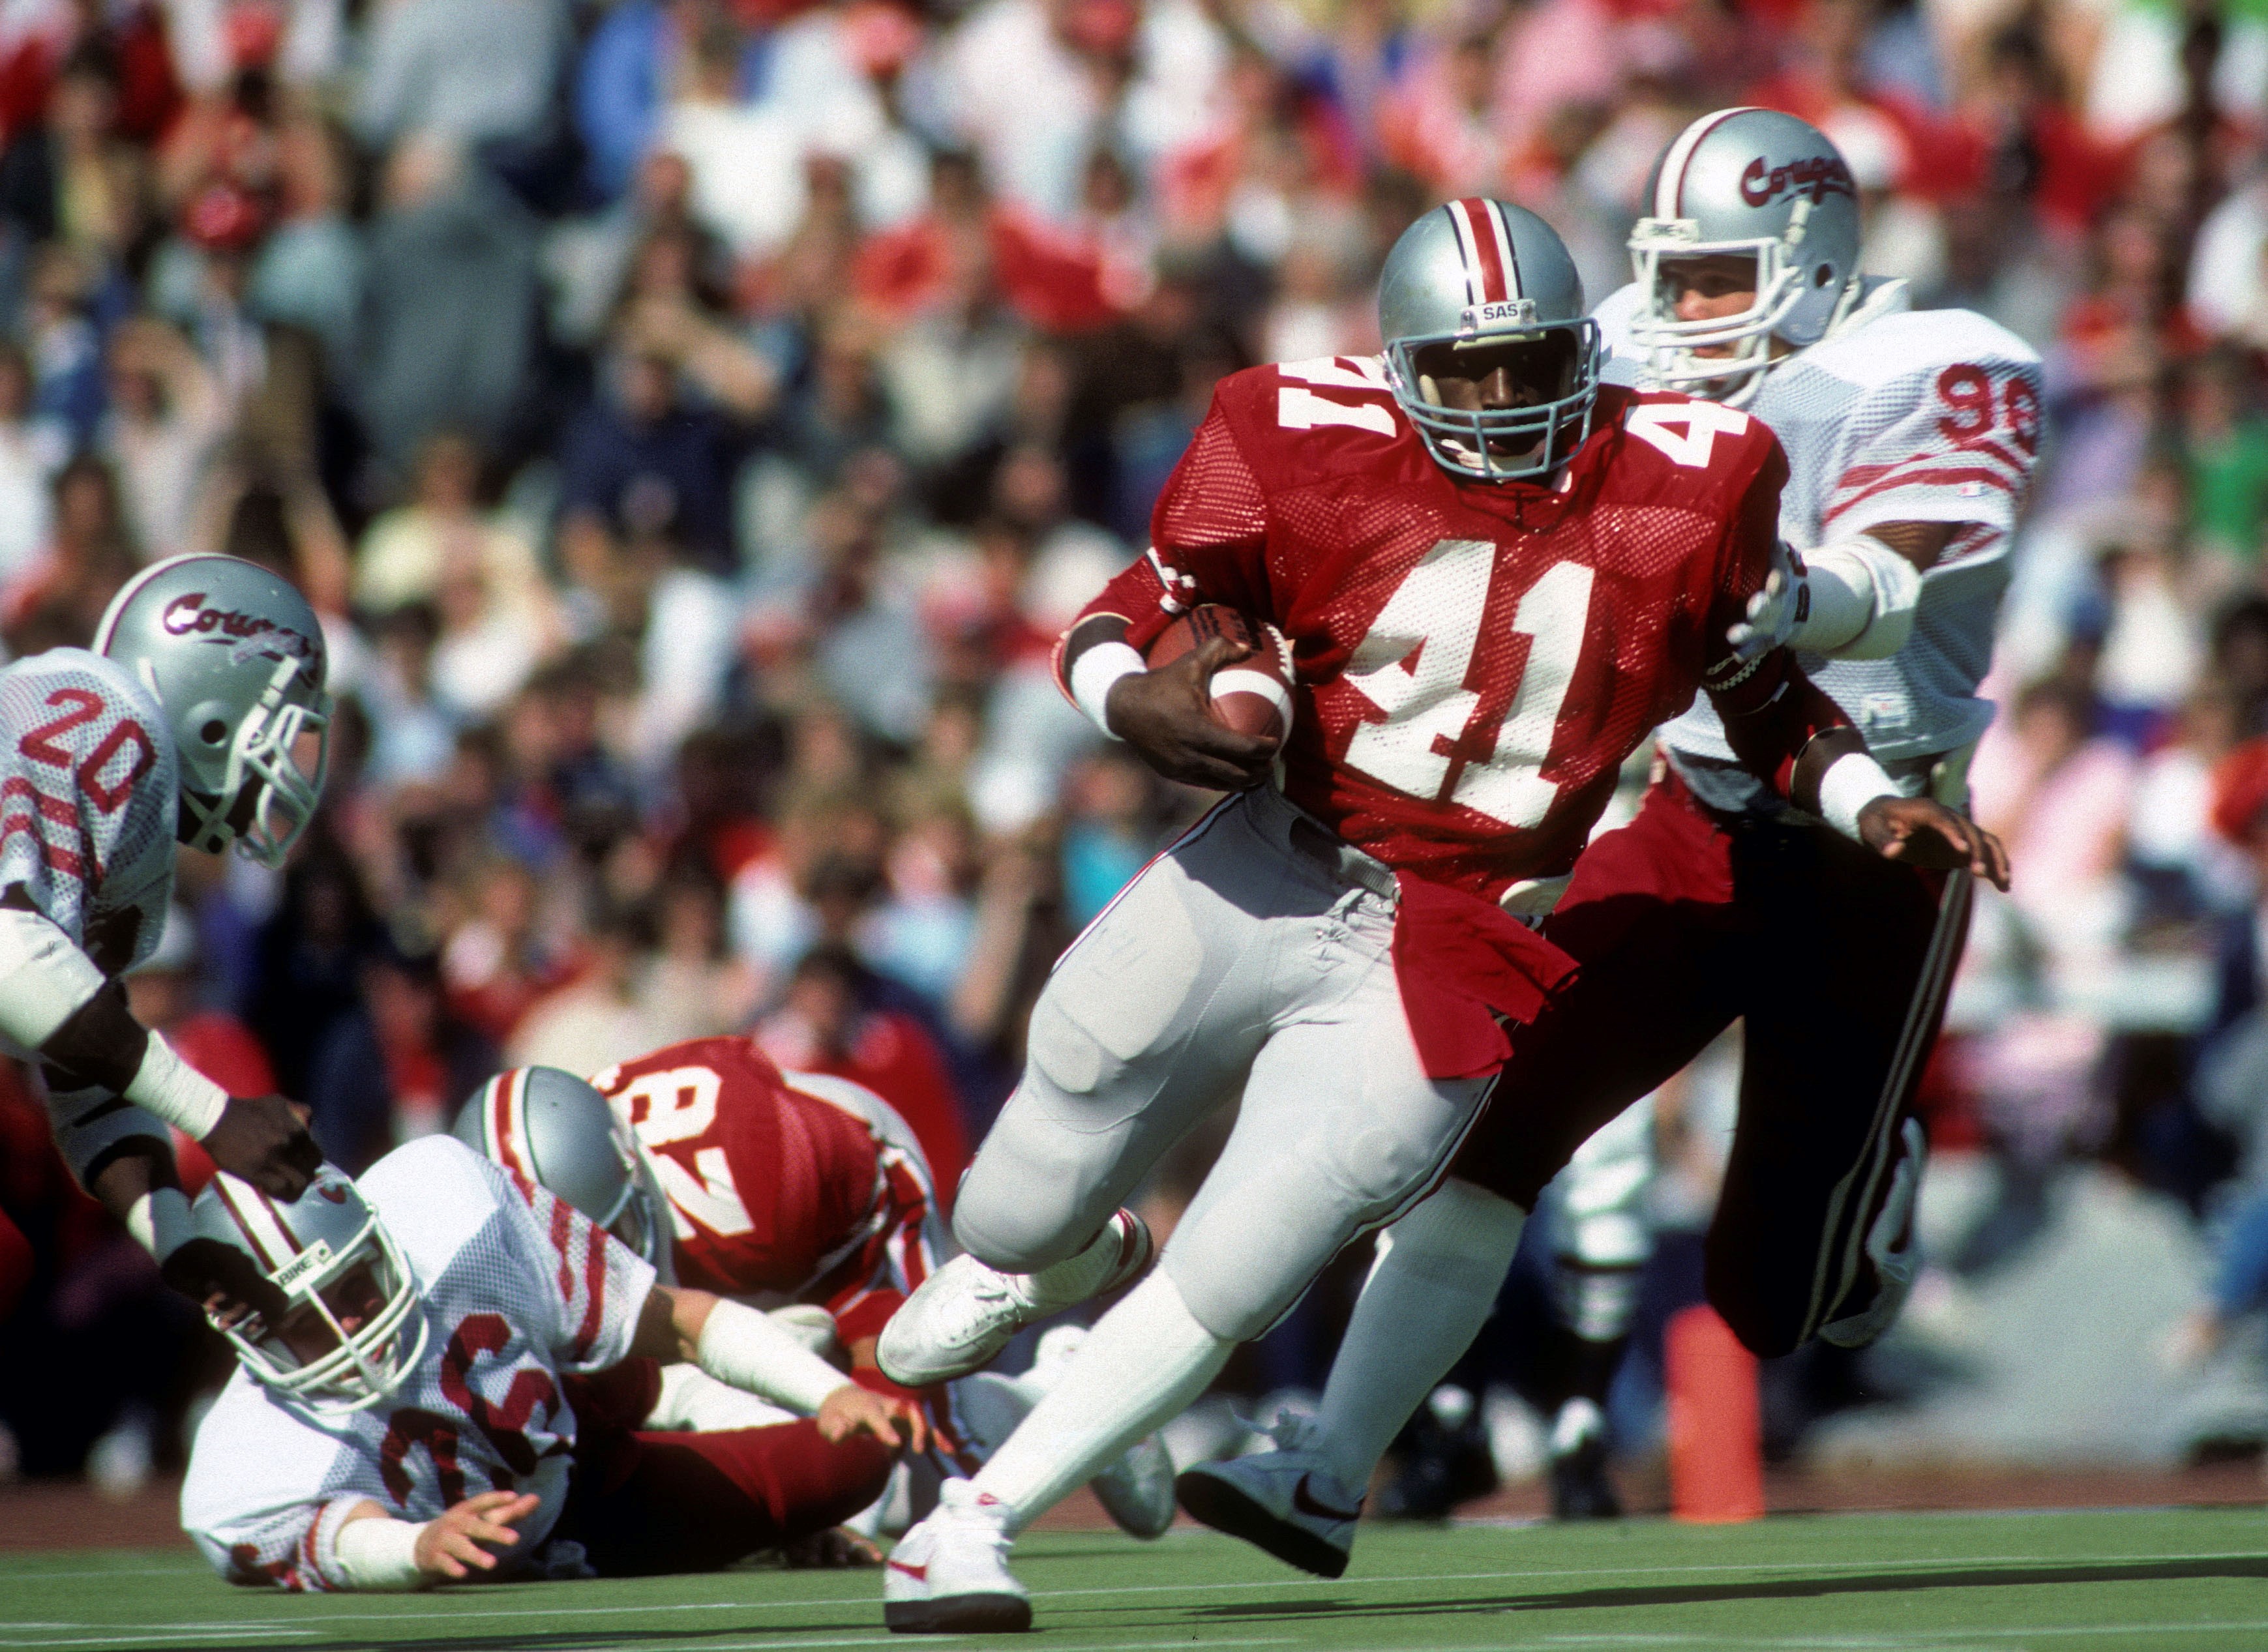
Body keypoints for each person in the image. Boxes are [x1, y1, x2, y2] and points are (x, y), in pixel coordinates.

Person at [871, 198, 2003, 1632]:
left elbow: (1756, 691)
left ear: (1580, 349)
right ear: (1398, 364)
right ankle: (1073, 1259)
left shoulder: (1696, 475)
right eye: (1462, 371)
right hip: (1271, 862)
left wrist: (1861, 799)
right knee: (1013, 1203)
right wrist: (1131, 702)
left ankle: (971, 1525)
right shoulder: (1285, 432)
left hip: (1450, 938)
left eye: (1528, 362)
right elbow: (1132, 608)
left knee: (1249, 1261)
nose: (1499, 399)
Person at [1186, 107, 2041, 1561]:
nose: (1683, 311)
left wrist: (1794, 603)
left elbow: (1899, 571)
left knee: (1772, 1296)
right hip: (1690, 814)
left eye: (1716, 276)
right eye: (1674, 274)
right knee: (1484, 1133)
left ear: (1813, 259)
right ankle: (1327, 1467)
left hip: (1876, 841)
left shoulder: (1929, 363)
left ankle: (1866, 1187)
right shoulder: (1626, 364)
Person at [451, 1055, 1172, 1537]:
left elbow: (869, 1206)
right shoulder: (514, 1223)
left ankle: (1068, 1395)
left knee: (906, 1465)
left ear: (632, 1178)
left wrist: (861, 1363)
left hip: (856, 1197)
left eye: (613, 1239)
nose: (604, 1265)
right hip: (736, 1249)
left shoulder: (751, 1175)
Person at [180, 1137, 923, 1589]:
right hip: (581, 1511)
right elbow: (341, 1536)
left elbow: (679, 1320)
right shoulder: (242, 1467)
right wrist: (418, 1547)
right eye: (308, 1320)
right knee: (848, 1469)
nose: (352, 1324)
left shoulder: (452, 1213)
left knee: (852, 1439)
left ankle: (834, 1345)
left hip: (555, 1406)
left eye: (354, 1284)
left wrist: (828, 1391)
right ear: (247, 1331)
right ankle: (709, 1446)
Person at [0, 553, 331, 1333]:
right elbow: (10, 957)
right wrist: (217, 1116)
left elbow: (85, 1070)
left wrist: (177, 1240)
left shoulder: (92, 734)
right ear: (209, 707)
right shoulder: (120, 729)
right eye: (277, 723)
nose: (284, 762)